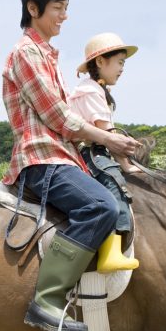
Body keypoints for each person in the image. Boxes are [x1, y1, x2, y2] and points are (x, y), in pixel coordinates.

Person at [1, 0, 141, 331]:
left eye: (66, 8)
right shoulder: (25, 54)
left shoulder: (48, 57)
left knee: (118, 194)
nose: (65, 16)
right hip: (41, 159)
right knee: (100, 207)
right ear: (34, 8)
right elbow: (61, 118)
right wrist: (109, 141)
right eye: (58, 8)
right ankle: (46, 301)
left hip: (64, 156)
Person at [69, 32, 140, 244]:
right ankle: (112, 248)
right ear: (100, 61)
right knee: (113, 185)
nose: (122, 69)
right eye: (119, 62)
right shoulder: (90, 91)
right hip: (89, 152)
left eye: (123, 64)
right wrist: (125, 165)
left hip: (95, 149)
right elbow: (108, 133)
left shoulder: (97, 89)